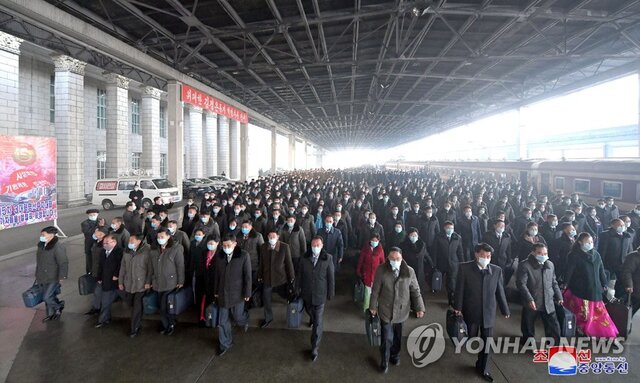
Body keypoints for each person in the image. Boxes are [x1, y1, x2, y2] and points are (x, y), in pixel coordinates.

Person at [454, 243, 510, 382]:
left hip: (489, 312)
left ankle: (483, 368)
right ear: (476, 254)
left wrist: (505, 309)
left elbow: (500, 291)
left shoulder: (496, 270)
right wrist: (458, 307)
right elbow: (459, 289)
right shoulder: (464, 268)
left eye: (489, 256)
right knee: (470, 336)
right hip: (470, 309)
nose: (486, 258)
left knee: (487, 341)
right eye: (483, 256)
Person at [369, 247, 425, 374]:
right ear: (388, 259)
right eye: (392, 259)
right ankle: (385, 359)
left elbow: (415, 291)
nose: (395, 261)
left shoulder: (409, 271)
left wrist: (419, 307)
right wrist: (373, 306)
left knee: (397, 336)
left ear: (402, 258)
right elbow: (375, 290)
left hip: (401, 310)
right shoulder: (381, 270)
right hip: (385, 309)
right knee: (386, 337)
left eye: (398, 259)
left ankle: (395, 355)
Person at [563, 233, 618, 338]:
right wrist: (565, 284)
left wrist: (604, 283)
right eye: (587, 242)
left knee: (599, 314)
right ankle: (582, 330)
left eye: (591, 242)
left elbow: (601, 270)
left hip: (596, 289)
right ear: (580, 242)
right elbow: (569, 271)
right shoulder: (574, 255)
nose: (590, 244)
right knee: (583, 313)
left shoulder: (596, 254)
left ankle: (603, 333)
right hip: (580, 290)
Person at [296, 236, 335, 362]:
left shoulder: (328, 258)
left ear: (322, 245)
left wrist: (330, 293)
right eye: (313, 245)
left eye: (318, 245)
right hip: (307, 294)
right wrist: (297, 289)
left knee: (318, 323)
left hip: (320, 294)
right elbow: (299, 275)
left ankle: (314, 348)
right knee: (310, 312)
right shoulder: (304, 258)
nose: (316, 247)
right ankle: (312, 318)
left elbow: (331, 277)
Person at [516, 243, 562, 344]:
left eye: (545, 253)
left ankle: (554, 345)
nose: (543, 256)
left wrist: (559, 296)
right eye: (540, 253)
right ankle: (528, 342)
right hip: (533, 300)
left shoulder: (550, 264)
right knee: (528, 324)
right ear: (533, 252)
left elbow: (554, 282)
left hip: (548, 300)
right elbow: (521, 284)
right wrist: (529, 299)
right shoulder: (525, 265)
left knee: (553, 325)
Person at [213, 234, 252, 356]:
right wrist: (215, 291)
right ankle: (225, 343)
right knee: (222, 321)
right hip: (222, 293)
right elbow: (216, 276)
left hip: (237, 293)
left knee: (237, 316)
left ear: (235, 244)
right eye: (224, 246)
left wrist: (247, 292)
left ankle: (245, 319)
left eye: (228, 245)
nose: (226, 248)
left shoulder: (243, 255)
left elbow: (247, 276)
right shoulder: (219, 256)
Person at [149, 228, 185, 335]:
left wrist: (180, 281)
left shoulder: (176, 248)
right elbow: (151, 267)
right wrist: (150, 280)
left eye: (162, 237)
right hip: (158, 282)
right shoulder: (154, 249)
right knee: (162, 306)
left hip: (171, 283)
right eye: (158, 237)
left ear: (168, 236)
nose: (160, 239)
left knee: (165, 306)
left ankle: (170, 325)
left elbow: (180, 266)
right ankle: (168, 322)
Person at [258, 231, 295, 328]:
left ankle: (292, 316)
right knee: (266, 299)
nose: (271, 238)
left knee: (288, 296)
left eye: (273, 236)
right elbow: (261, 263)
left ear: (278, 236)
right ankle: (268, 318)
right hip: (267, 277)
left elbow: (289, 263)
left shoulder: (284, 247)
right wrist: (259, 275)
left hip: (281, 278)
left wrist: (291, 277)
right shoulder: (263, 247)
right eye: (269, 236)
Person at [118, 234, 151, 338]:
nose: (130, 243)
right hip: (129, 284)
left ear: (139, 241)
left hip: (141, 285)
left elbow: (150, 269)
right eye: (129, 241)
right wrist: (120, 281)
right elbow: (123, 267)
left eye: (132, 241)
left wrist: (148, 282)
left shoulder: (148, 251)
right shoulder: (127, 251)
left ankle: (134, 328)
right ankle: (137, 321)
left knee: (137, 307)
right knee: (131, 304)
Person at [35, 226, 68, 322]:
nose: (41, 236)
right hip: (42, 275)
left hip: (53, 276)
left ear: (51, 235)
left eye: (43, 235)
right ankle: (50, 314)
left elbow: (63, 262)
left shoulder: (57, 246)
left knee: (47, 297)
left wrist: (63, 276)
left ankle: (59, 306)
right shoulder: (41, 245)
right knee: (48, 296)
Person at [94, 234, 123, 328]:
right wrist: (99, 277)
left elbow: (121, 265)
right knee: (103, 299)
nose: (104, 244)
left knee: (106, 301)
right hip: (104, 280)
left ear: (114, 242)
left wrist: (116, 275)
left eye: (107, 242)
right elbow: (100, 266)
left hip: (113, 281)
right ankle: (105, 318)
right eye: (104, 243)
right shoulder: (103, 252)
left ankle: (103, 319)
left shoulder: (119, 252)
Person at [432, 221, 464, 305]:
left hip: (453, 263)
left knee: (452, 282)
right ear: (444, 228)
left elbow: (460, 252)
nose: (450, 230)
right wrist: (434, 264)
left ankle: (451, 299)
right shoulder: (438, 237)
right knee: (438, 278)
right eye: (448, 228)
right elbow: (434, 251)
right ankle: (435, 289)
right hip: (441, 262)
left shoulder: (457, 238)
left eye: (451, 228)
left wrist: (462, 263)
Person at [191, 232, 218, 326]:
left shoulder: (220, 255)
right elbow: (199, 266)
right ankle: (202, 318)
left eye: (212, 243)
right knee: (201, 301)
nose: (210, 245)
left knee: (212, 301)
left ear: (217, 243)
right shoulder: (203, 253)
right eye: (208, 243)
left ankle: (211, 319)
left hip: (214, 283)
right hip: (202, 280)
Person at [399, 228, 433, 296]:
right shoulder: (403, 245)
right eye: (411, 235)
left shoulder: (422, 245)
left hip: (420, 271)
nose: (413, 237)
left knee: (419, 290)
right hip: (408, 270)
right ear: (408, 236)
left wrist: (432, 265)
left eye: (415, 235)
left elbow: (426, 255)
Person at [357, 233, 386, 311]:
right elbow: (361, 260)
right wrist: (359, 270)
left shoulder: (380, 250)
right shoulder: (365, 249)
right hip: (367, 275)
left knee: (376, 293)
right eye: (373, 240)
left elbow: (383, 262)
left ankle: (375, 309)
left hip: (377, 276)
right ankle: (366, 310)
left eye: (376, 240)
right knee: (367, 294)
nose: (374, 242)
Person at [483, 219, 514, 285]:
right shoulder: (487, 235)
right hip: (491, 259)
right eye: (500, 225)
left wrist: (509, 261)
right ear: (495, 226)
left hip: (502, 260)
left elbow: (508, 250)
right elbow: (484, 248)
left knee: (501, 276)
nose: (502, 227)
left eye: (503, 226)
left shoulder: (507, 236)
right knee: (491, 276)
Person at [620, 247, 640, 315]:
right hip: (635, 291)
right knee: (631, 312)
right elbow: (626, 272)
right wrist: (629, 285)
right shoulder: (633, 256)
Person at [81, 209, 100, 274]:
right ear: (88, 215)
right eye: (91, 215)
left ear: (97, 214)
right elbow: (87, 232)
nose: (92, 216)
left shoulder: (101, 220)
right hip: (89, 244)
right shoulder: (85, 223)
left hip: (99, 244)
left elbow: (106, 229)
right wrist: (97, 228)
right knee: (90, 260)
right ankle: (89, 273)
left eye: (94, 215)